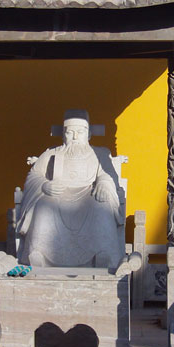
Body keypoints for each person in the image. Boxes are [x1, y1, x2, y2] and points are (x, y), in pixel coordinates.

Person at [16, 110, 125, 268]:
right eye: (70, 132)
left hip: (89, 194)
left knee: (102, 207)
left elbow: (108, 174)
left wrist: (103, 183)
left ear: (88, 134)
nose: (75, 137)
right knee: (43, 206)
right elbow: (34, 175)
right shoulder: (51, 154)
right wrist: (45, 185)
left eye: (80, 132)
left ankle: (103, 253)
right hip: (57, 195)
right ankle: (39, 252)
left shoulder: (100, 154)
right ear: (63, 135)